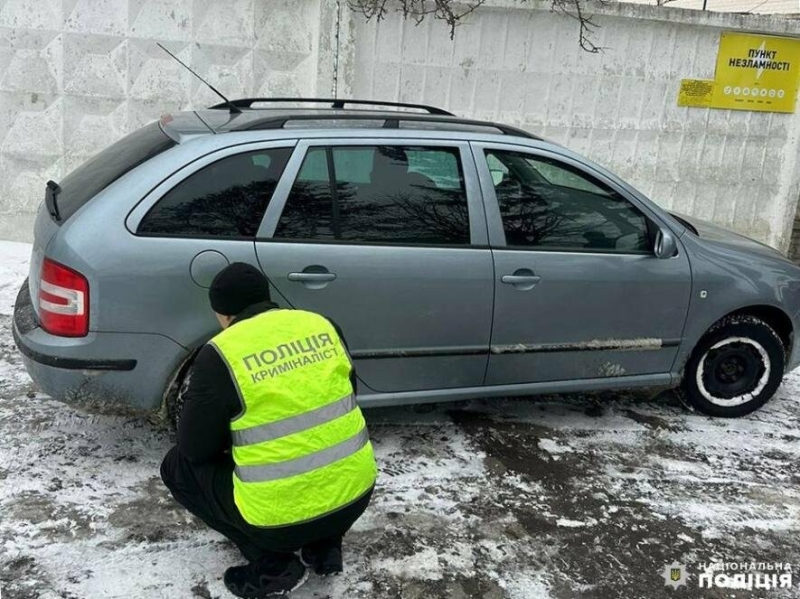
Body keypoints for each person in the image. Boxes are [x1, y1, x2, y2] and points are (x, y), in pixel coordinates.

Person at [160, 263, 377, 598]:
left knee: (178, 467)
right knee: (323, 449)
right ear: (267, 298)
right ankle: (325, 547)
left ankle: (272, 564)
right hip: (356, 496)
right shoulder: (321, 325)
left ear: (222, 314)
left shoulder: (220, 354)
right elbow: (345, 397)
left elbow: (195, 448)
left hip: (278, 522)